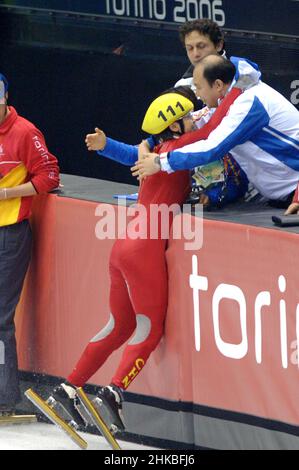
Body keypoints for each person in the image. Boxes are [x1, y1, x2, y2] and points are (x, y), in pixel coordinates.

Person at [41, 85, 246, 433]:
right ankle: (114, 391)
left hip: (123, 244)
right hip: (145, 249)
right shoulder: (180, 147)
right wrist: (236, 92)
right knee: (150, 332)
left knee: (118, 326)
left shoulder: (159, 149)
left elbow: (135, 155)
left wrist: (107, 147)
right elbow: (213, 132)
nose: (194, 119)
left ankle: (67, 389)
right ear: (175, 126)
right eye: (187, 116)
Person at [133, 55, 299, 211]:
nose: (197, 95)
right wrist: (148, 143)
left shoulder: (248, 104)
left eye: (198, 87)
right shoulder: (228, 100)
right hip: (283, 198)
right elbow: (180, 127)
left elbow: (212, 148)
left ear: (218, 85)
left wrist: (160, 162)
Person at [0, 73, 60, 415]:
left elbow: (49, 176)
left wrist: (7, 193)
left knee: (0, 318)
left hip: (9, 232)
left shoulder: (24, 132)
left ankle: (5, 396)